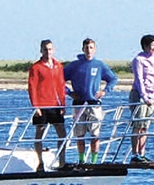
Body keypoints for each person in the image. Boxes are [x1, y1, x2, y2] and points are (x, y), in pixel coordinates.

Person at [63, 38, 118, 164]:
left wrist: (105, 91)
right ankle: (81, 160)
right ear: (83, 49)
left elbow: (113, 79)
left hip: (94, 104)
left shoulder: (99, 65)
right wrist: (69, 92)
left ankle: (94, 161)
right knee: (80, 134)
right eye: (87, 48)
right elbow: (59, 79)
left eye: (91, 47)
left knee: (95, 134)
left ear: (95, 49)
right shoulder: (74, 65)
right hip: (79, 103)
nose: (89, 50)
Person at [27, 40, 68, 171]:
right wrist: (35, 106)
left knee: (62, 133)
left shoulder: (58, 66)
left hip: (55, 105)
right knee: (39, 133)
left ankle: (62, 161)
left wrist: (63, 104)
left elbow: (61, 85)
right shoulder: (36, 67)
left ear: (53, 50)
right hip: (42, 104)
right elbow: (32, 87)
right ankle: (40, 162)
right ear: (41, 50)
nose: (48, 52)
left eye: (50, 49)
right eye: (45, 49)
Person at [129, 34, 154, 163]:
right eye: (152, 46)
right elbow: (139, 79)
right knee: (137, 125)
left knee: (145, 126)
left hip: (151, 96)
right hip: (139, 95)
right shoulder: (138, 60)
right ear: (145, 46)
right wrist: (144, 96)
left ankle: (142, 153)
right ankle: (134, 154)